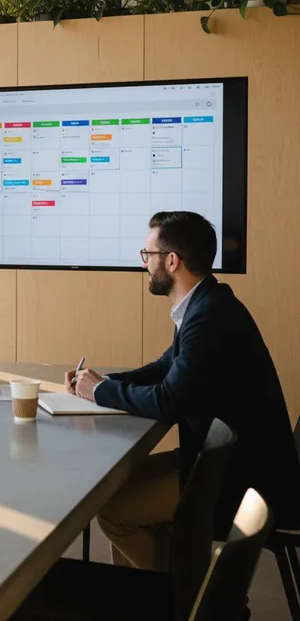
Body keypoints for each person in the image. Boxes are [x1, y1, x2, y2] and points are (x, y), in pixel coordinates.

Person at [67, 211, 300, 570]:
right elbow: (165, 368)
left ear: (172, 261)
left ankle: (182, 601)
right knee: (112, 488)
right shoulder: (207, 303)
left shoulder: (210, 316)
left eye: (148, 255)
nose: (144, 264)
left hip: (242, 480)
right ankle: (177, 590)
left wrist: (99, 392)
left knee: (115, 514)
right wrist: (102, 383)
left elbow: (169, 400)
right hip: (228, 459)